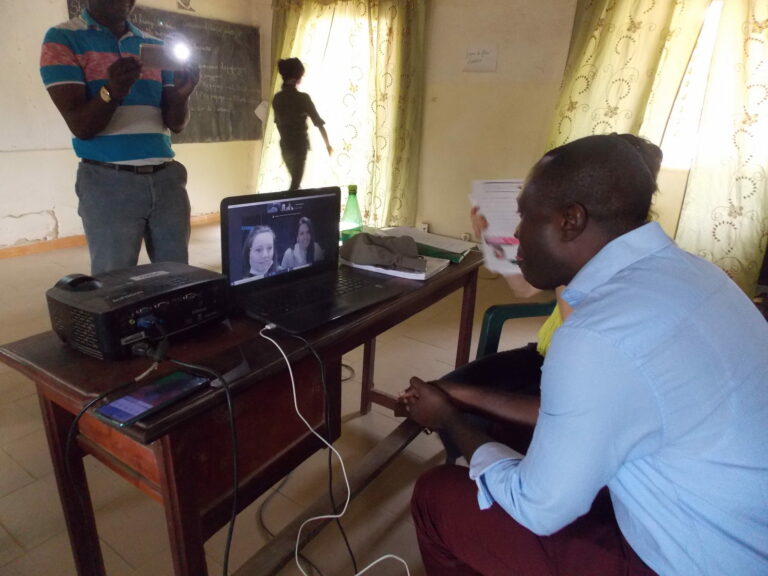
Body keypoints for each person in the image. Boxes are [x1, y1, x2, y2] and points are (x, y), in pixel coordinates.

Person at [400, 134, 768, 576]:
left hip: (690, 558)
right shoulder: (698, 274)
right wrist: (465, 396)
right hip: (738, 532)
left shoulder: (599, 332)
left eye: (524, 217)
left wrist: (449, 420)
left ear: (570, 221)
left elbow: (538, 509)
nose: (517, 233)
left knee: (437, 496)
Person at [437, 134, 662, 458]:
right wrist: (490, 239)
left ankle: (485, 480)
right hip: (545, 357)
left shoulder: (625, 260)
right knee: (448, 390)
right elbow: (523, 288)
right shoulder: (581, 243)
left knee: (462, 410)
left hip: (573, 377)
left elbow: (583, 365)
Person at [40, 0, 200, 275]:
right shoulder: (63, 39)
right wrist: (111, 92)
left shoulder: (153, 46)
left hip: (167, 180)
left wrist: (184, 95)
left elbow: (176, 124)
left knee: (177, 276)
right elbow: (81, 126)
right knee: (113, 283)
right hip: (108, 183)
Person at [272, 57, 333, 190]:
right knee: (295, 186)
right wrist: (328, 145)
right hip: (299, 146)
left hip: (285, 145)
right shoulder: (303, 98)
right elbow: (318, 123)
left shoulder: (277, 98)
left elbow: (278, 125)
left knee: (295, 184)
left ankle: (293, 207)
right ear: (298, 77)